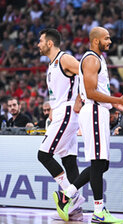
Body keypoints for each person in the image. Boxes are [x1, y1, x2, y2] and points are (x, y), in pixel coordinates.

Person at [53, 27, 123, 223]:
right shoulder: (91, 59)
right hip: (93, 111)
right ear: (95, 40)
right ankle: (98, 212)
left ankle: (67, 195)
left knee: (102, 164)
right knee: (98, 163)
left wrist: (115, 104)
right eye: (106, 38)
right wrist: (117, 100)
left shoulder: (97, 58)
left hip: (98, 111)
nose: (110, 41)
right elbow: (90, 93)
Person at [36, 28, 84, 221]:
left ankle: (72, 197)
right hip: (62, 114)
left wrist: (81, 96)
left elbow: (87, 71)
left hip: (67, 113)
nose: (37, 44)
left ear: (49, 43)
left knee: (44, 155)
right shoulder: (52, 64)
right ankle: (75, 210)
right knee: (69, 161)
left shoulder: (65, 59)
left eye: (40, 41)